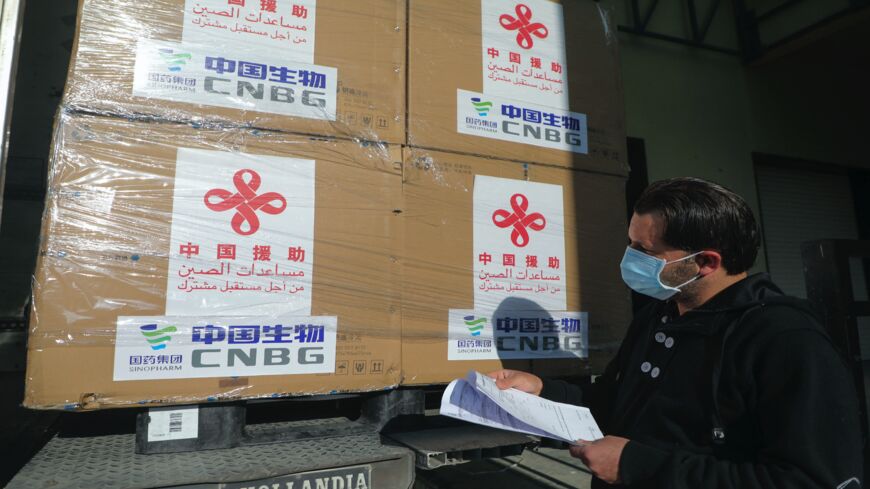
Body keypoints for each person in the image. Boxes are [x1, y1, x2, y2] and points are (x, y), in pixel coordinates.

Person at [489, 177, 864, 488]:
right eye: (630, 243)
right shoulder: (658, 316)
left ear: (706, 262)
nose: (629, 258)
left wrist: (637, 466)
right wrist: (543, 392)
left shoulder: (785, 340)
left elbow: (812, 481)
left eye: (644, 250)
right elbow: (612, 403)